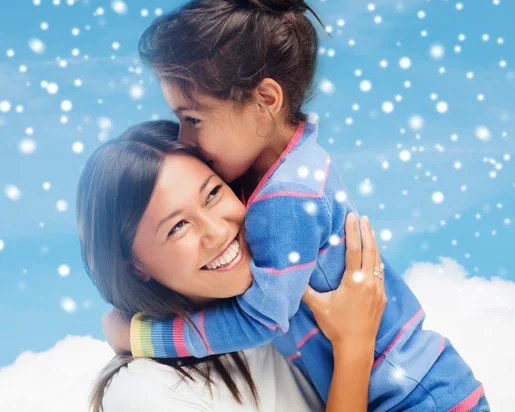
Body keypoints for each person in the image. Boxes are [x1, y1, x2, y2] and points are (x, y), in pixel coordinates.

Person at [103, 0, 490, 410]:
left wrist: (142, 336)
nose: (184, 138)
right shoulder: (291, 162)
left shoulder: (285, 199)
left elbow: (260, 318)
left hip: (416, 398)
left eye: (193, 118)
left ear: (265, 101)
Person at [77, 120, 387, 411]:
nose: (218, 231)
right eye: (178, 226)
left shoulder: (282, 299)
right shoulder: (145, 391)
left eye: (213, 193)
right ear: (135, 268)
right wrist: (354, 346)